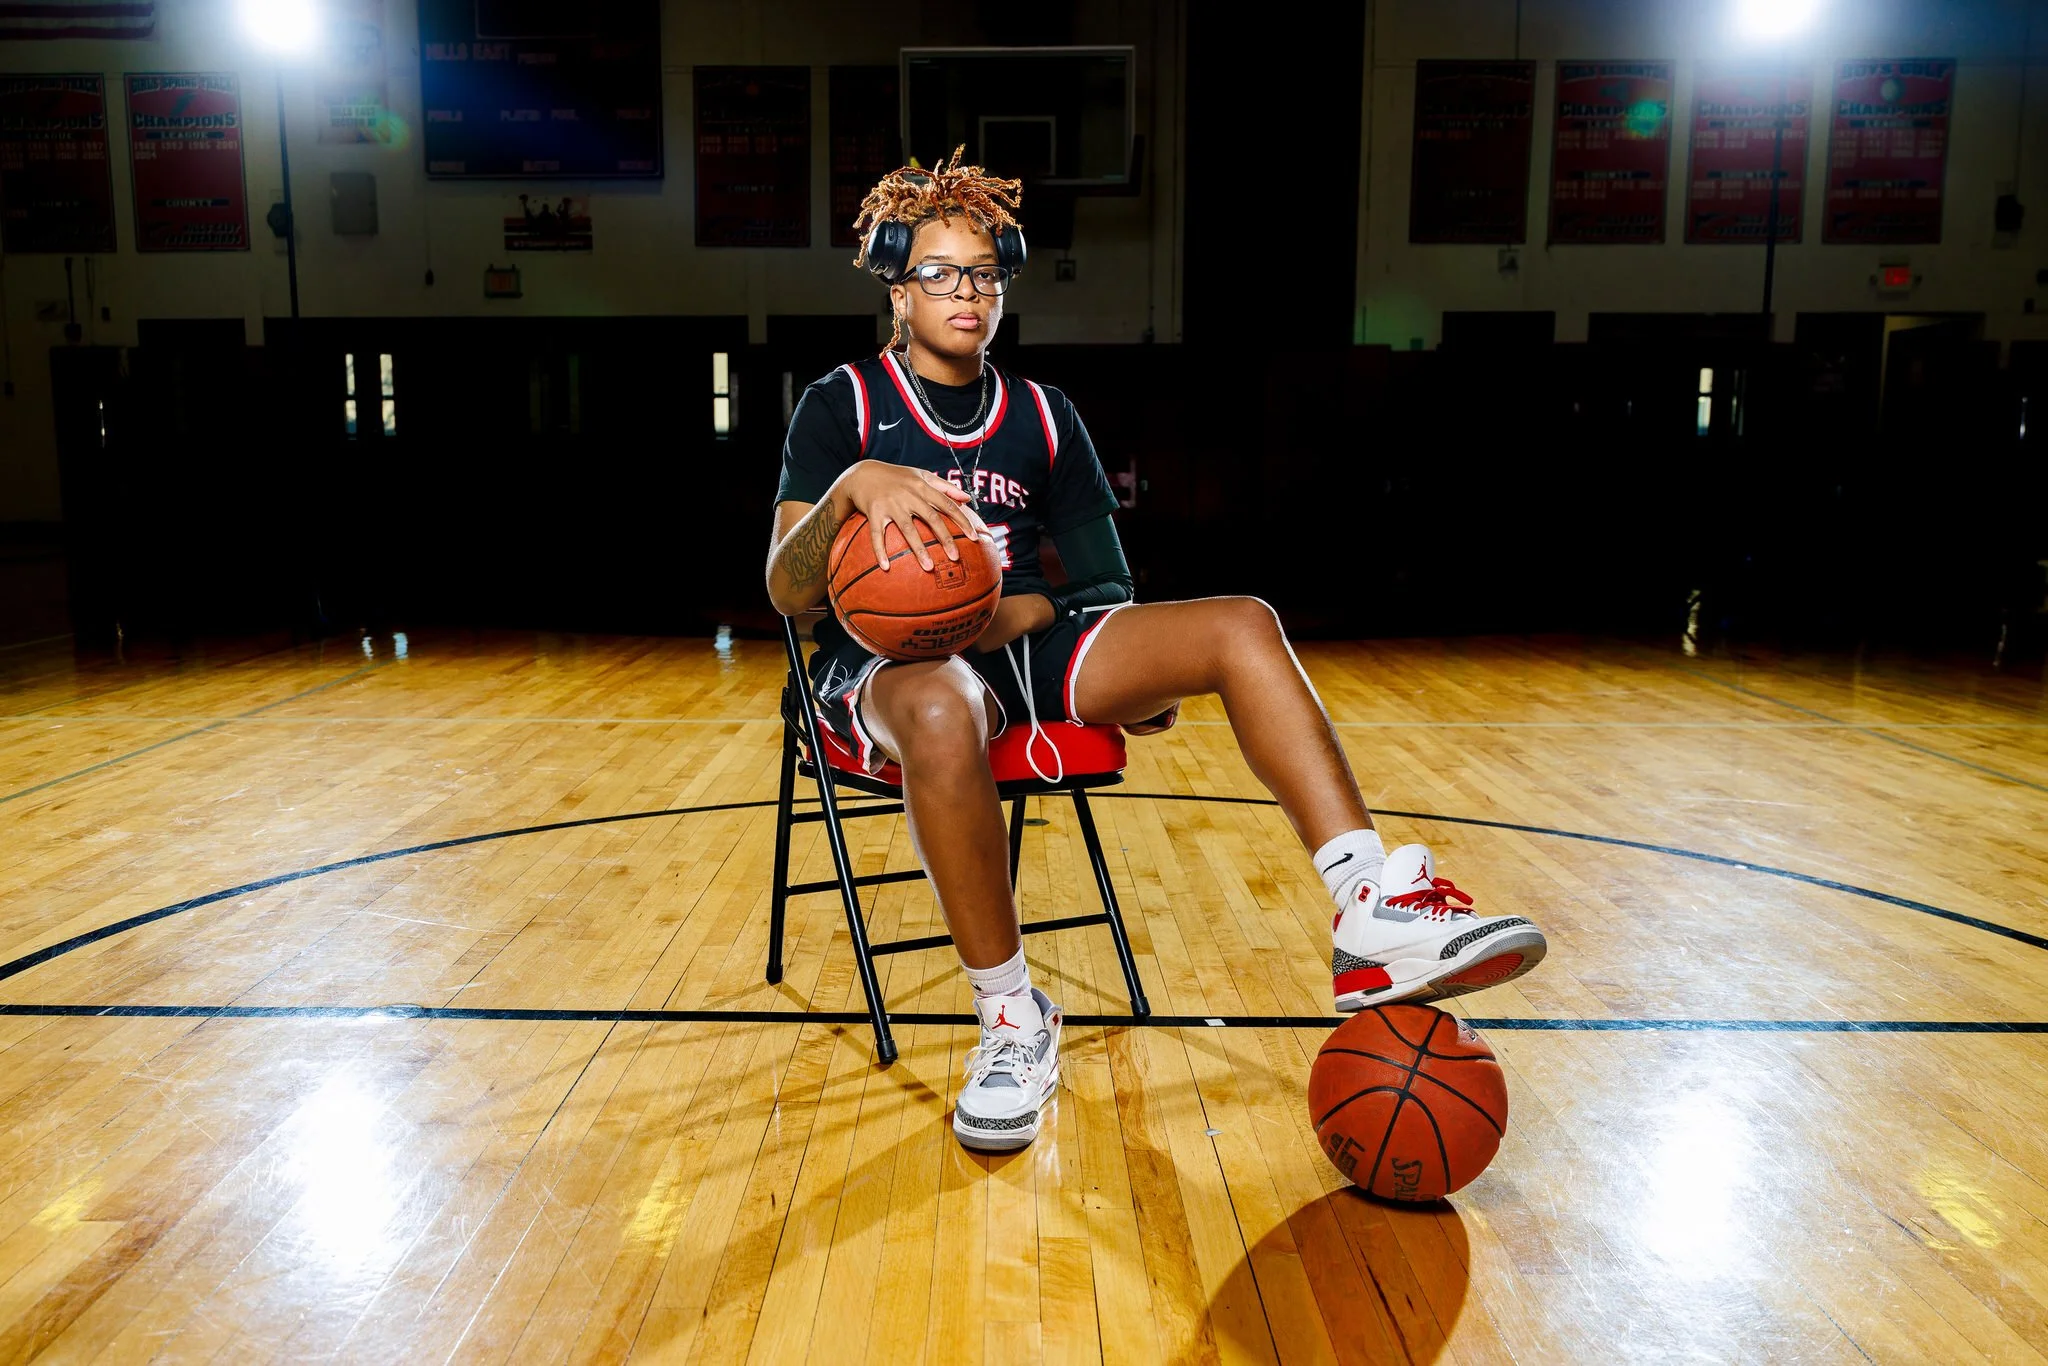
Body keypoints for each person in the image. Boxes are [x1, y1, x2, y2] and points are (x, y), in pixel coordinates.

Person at [766, 149, 1546, 1153]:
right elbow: (785, 590)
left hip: (1023, 646)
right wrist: (854, 487)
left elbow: (1101, 589)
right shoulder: (843, 407)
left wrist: (1087, 650)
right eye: (937, 272)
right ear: (894, 286)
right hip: (885, 670)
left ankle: (1369, 902)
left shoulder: (1046, 417)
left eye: (982, 272)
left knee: (1240, 623)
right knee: (936, 702)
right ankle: (1012, 1018)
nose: (965, 292)